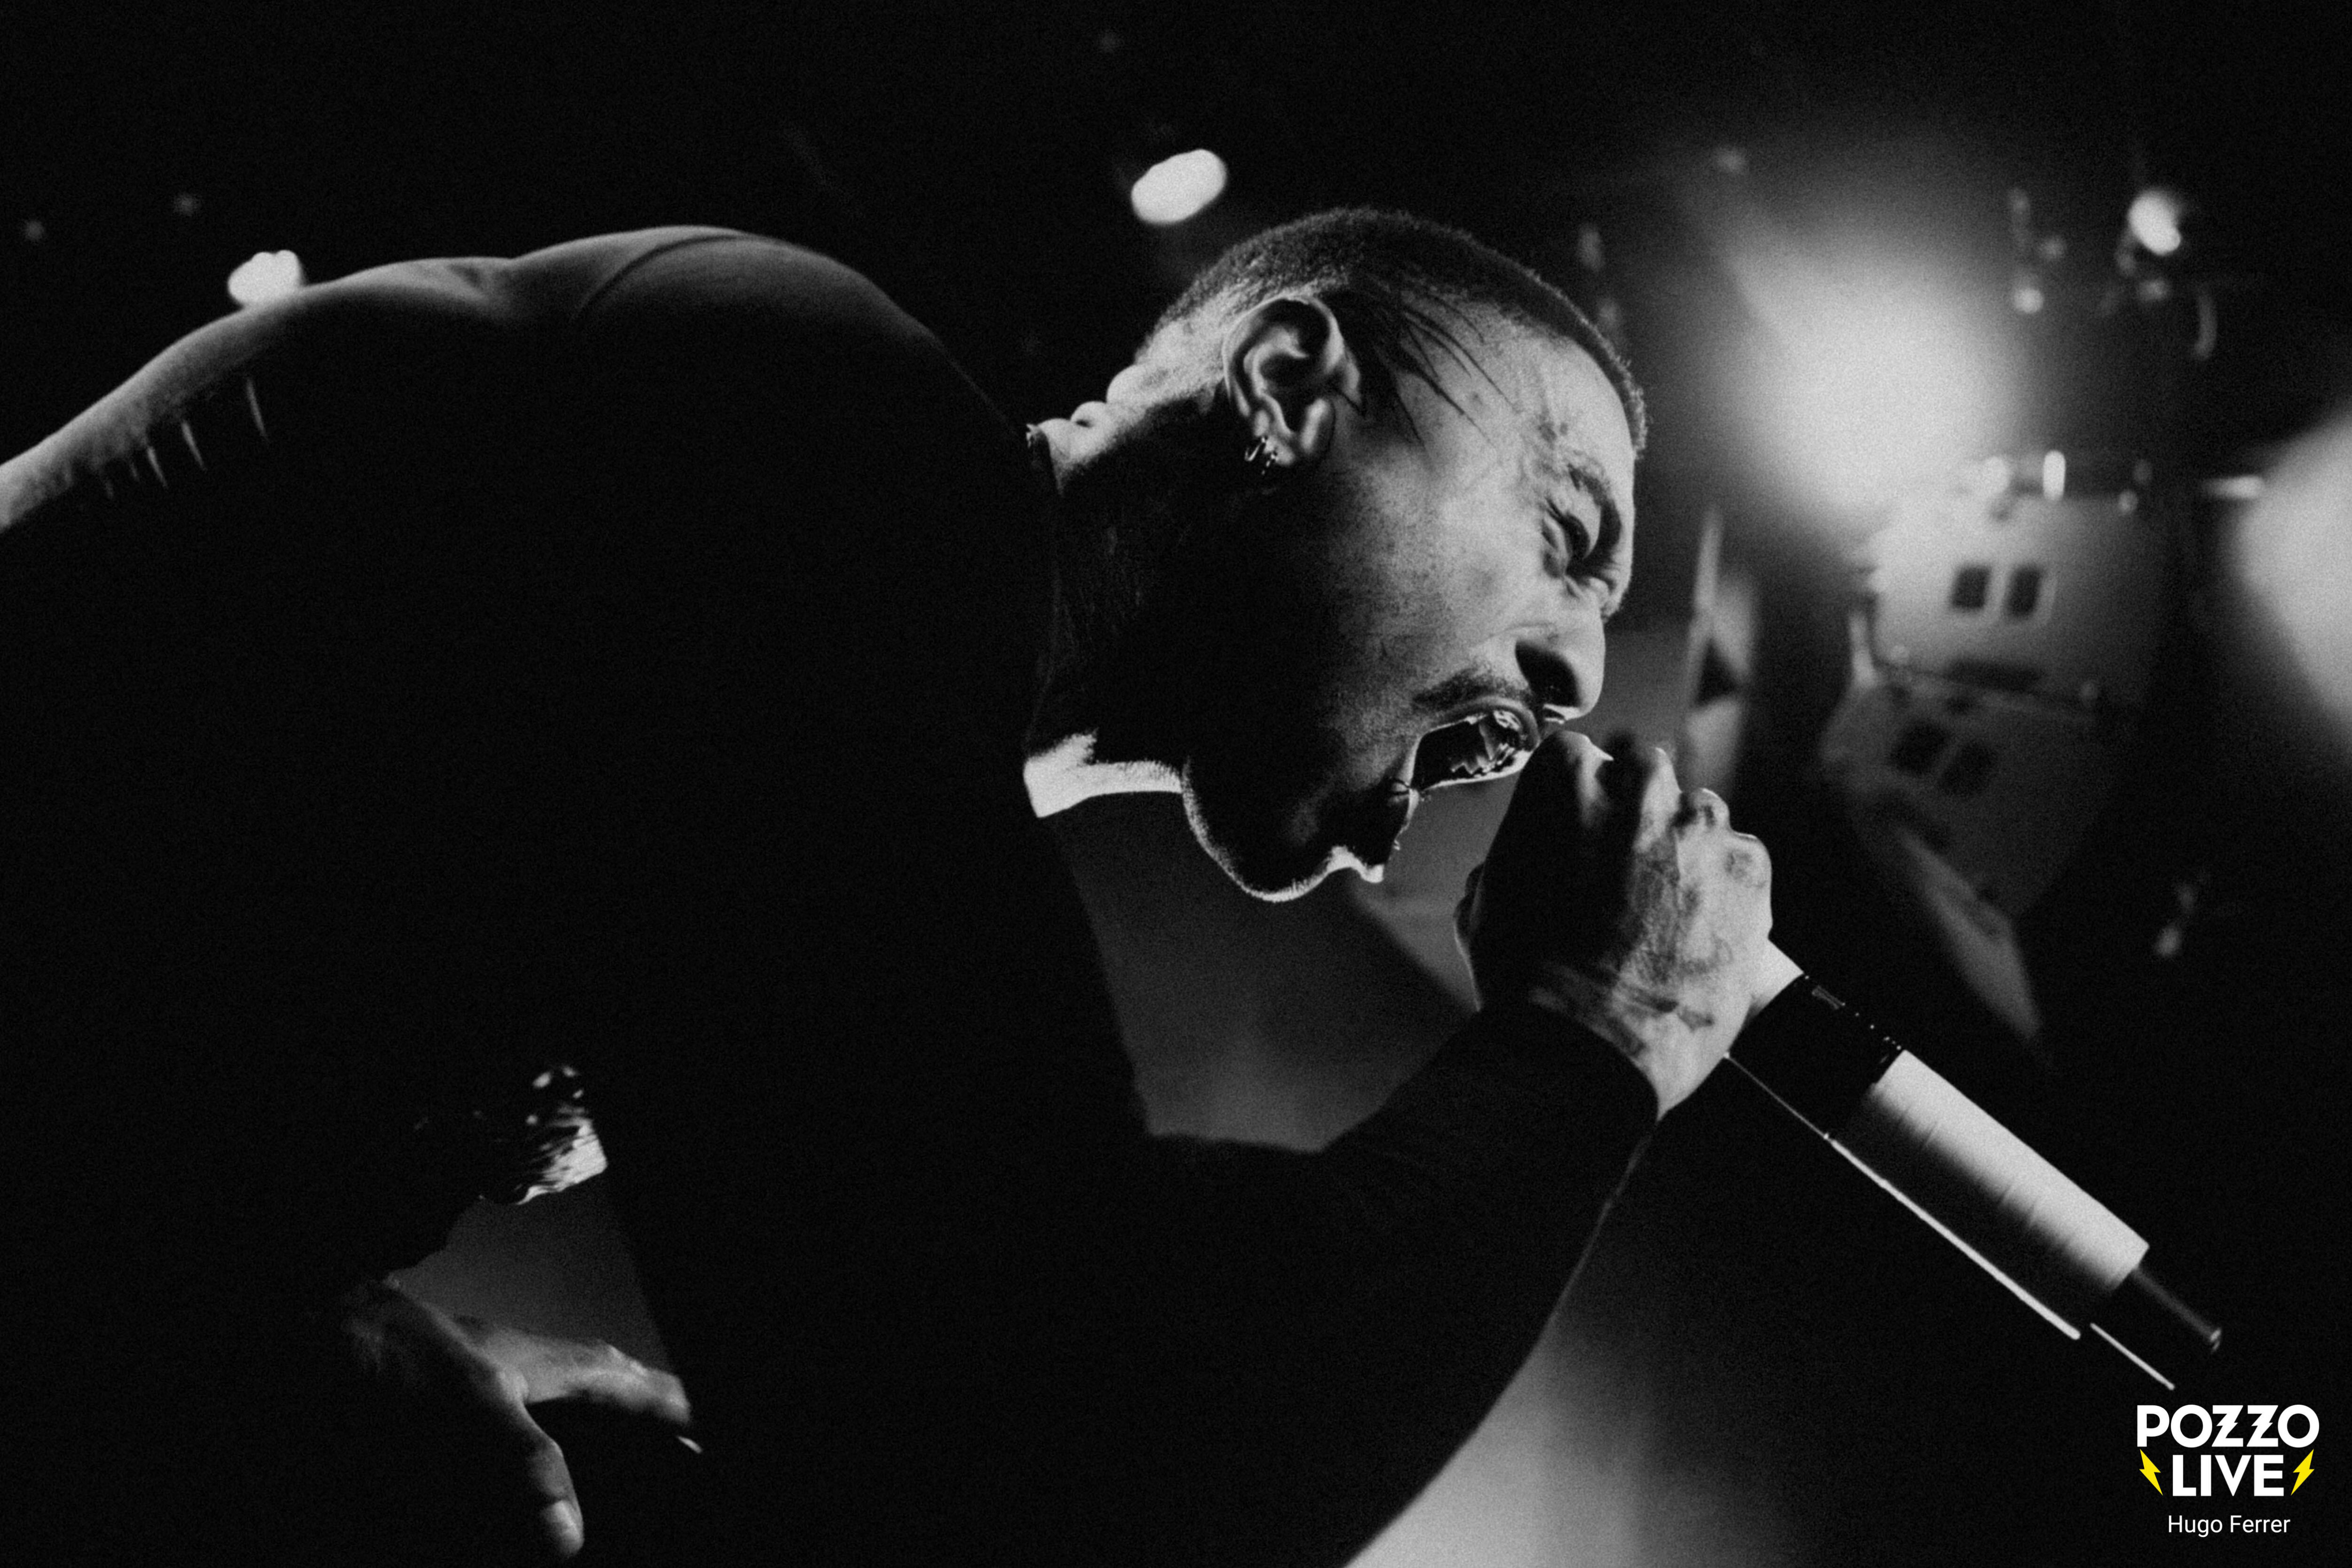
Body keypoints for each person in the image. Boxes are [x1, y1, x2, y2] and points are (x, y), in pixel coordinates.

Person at [0, 211, 1775, 1565]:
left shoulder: (843, 727)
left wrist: (270, 1335)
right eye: (1567, 537)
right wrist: (1594, 1031)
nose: (1575, 673)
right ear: (1290, 386)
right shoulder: (795, 406)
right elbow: (1037, 1459)